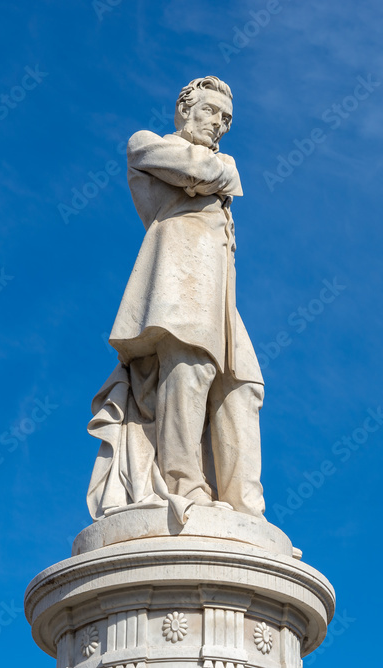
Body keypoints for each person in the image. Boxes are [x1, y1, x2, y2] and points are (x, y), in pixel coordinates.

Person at [86, 76, 265, 523]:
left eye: (227, 120)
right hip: (178, 280)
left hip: (219, 292)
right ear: (185, 108)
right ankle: (186, 486)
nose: (219, 125)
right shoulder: (145, 143)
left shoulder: (210, 157)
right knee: (190, 369)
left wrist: (203, 176)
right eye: (211, 112)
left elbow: (209, 174)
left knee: (245, 387)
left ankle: (247, 508)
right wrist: (207, 173)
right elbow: (206, 172)